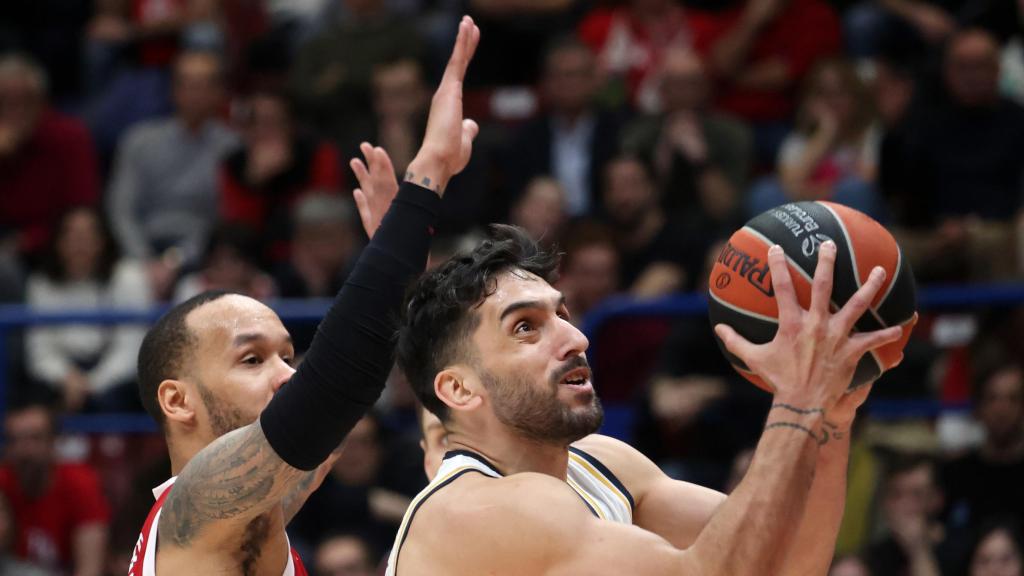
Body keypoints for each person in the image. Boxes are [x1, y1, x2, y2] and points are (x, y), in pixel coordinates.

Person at [381, 176, 907, 572]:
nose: (575, 337)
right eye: (525, 327)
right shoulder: (478, 509)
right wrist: (798, 402)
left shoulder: (602, 464)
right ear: (458, 388)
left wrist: (833, 419)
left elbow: (783, 562)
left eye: (562, 314)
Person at [126, 17, 480, 575]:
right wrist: (427, 173)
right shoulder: (196, 503)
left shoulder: (253, 513)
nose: (289, 375)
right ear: (178, 401)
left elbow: (368, 386)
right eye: (251, 359)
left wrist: (407, 265)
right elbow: (337, 384)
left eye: (287, 357)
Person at [105, 49, 238, 297]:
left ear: (219, 92)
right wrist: (145, 259)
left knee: (198, 290)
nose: (195, 94)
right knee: (129, 281)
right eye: (187, 85)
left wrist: (177, 261)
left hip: (202, 256)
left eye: (204, 85)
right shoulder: (139, 141)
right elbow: (121, 209)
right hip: (143, 254)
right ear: (173, 90)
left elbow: (223, 217)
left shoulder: (231, 147)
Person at [25, 206, 152, 413]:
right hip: (62, 377)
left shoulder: (129, 276)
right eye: (71, 236)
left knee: (127, 397)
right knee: (35, 400)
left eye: (87, 235)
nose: (79, 244)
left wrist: (92, 384)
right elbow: (40, 352)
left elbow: (132, 348)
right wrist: (66, 378)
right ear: (58, 242)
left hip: (114, 377)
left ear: (103, 240)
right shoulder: (41, 283)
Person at [0, 401, 109, 576]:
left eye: (35, 438)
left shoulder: (78, 483)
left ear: (54, 441)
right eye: (15, 440)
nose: (24, 450)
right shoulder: (3, 481)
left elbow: (90, 569)